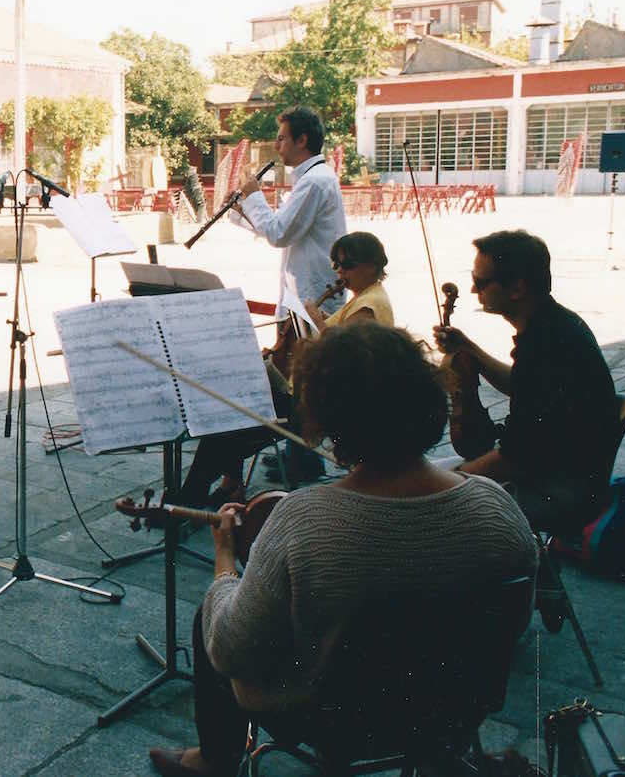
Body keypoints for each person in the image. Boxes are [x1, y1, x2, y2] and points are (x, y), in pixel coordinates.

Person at [148, 322, 538, 777]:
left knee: (214, 611)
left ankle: (214, 760)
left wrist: (225, 558)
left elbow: (230, 649)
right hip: (453, 706)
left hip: (329, 715)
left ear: (326, 417)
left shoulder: (304, 518)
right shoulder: (496, 505)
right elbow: (511, 621)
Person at [178, 231, 393, 507]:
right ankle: (222, 487)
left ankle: (190, 498)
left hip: (324, 407)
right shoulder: (366, 297)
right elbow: (346, 335)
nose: (340, 271)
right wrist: (323, 321)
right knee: (234, 409)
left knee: (230, 424)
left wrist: (316, 322)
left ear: (372, 265)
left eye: (347, 264)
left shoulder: (369, 305)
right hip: (317, 397)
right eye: (336, 264)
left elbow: (344, 357)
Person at [433, 229, 618, 535]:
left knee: (430, 504)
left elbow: (516, 457)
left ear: (517, 288)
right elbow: (517, 383)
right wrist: (468, 348)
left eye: (480, 282)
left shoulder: (547, 347)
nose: (472, 288)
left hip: (559, 490)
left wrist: (458, 477)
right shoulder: (553, 324)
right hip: (565, 473)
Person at [232, 105, 347, 316]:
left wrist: (255, 196)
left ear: (302, 141)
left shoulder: (315, 181)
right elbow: (277, 227)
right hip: (303, 297)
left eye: (281, 138)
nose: (276, 146)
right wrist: (240, 210)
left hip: (314, 301)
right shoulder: (311, 178)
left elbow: (278, 234)